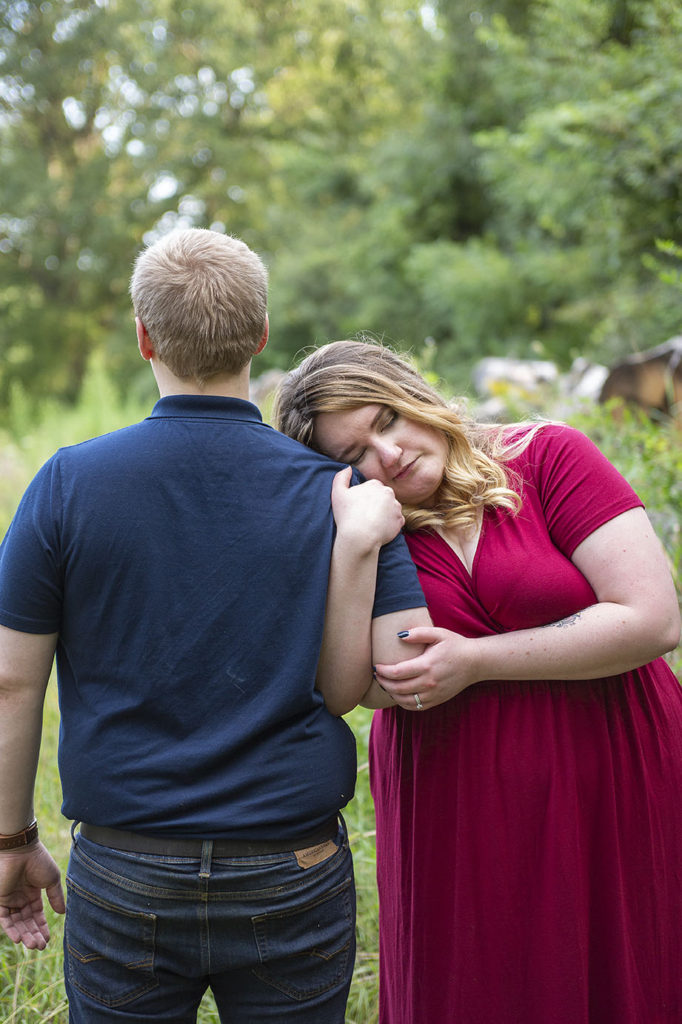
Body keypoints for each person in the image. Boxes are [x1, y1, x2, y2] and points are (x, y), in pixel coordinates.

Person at [0, 232, 429, 1023]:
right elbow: (395, 669)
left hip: (127, 865)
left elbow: (11, 680)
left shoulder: (66, 483)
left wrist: (9, 841)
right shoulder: (341, 492)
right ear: (261, 335)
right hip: (292, 862)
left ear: (143, 337)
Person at [274, 338, 682, 1024]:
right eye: (354, 456)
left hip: (618, 771)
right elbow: (366, 686)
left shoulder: (547, 456)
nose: (388, 455)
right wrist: (354, 546)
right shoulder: (366, 531)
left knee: (636, 971)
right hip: (459, 801)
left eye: (384, 421)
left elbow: (653, 619)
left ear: (411, 392)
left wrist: (479, 660)